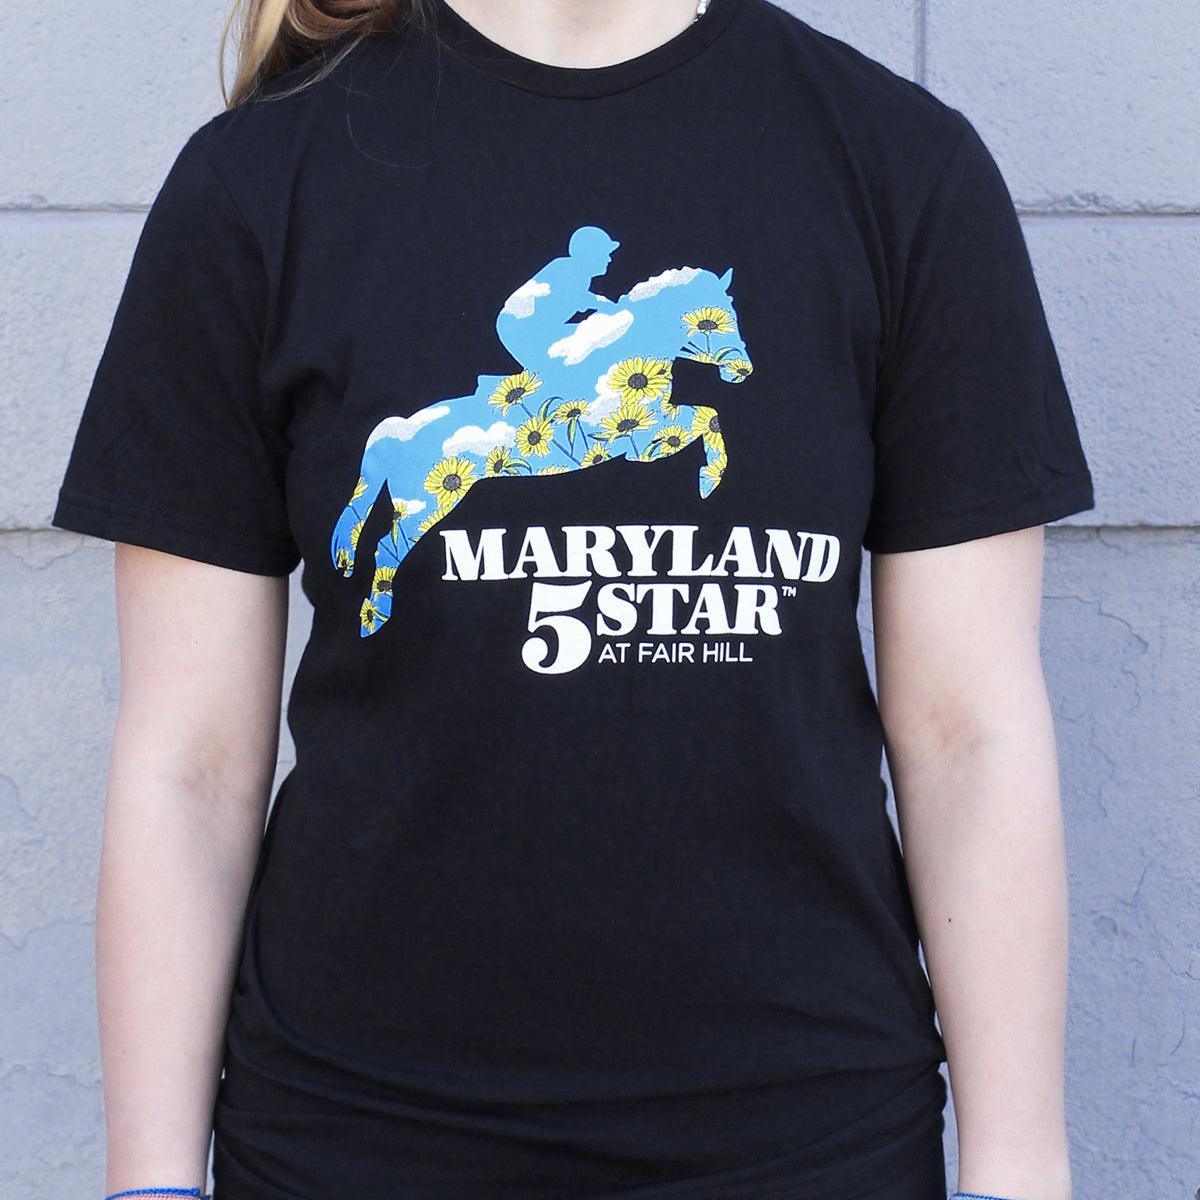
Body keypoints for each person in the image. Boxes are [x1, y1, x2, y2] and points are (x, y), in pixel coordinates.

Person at [50, 0, 1096, 1197]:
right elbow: (189, 765)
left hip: (805, 1138)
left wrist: (1019, 1170)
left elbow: (971, 737)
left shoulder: (900, 167)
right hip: (358, 1140)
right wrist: (151, 1181)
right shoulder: (262, 181)